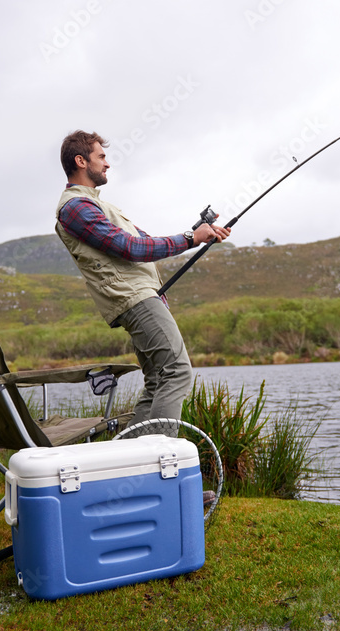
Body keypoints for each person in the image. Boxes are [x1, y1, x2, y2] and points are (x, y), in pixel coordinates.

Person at [55, 130, 230, 428]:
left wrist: (201, 234)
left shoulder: (96, 205)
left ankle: (134, 458)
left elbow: (143, 240)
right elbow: (131, 248)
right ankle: (160, 457)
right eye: (101, 157)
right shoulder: (76, 208)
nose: (107, 164)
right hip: (134, 300)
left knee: (158, 380)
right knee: (176, 372)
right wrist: (190, 238)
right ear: (81, 161)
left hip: (140, 298)